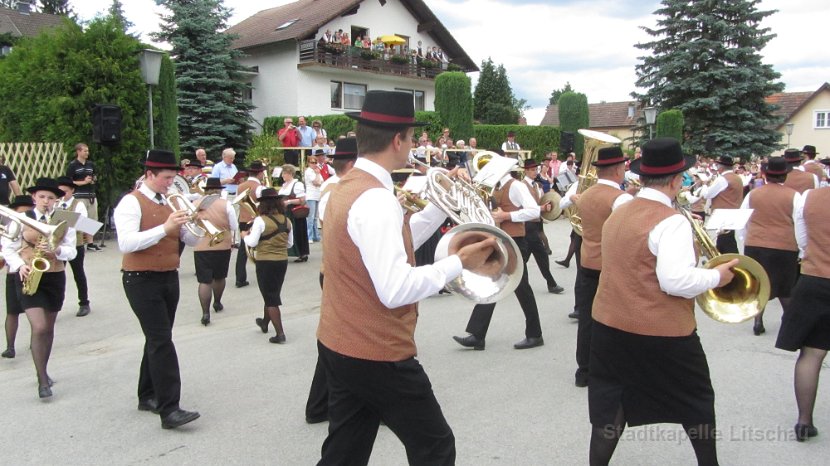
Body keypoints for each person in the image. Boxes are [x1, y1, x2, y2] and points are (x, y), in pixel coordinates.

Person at [316, 90, 495, 464]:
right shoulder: (376, 199)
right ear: (398, 140)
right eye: (412, 138)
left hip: (339, 342)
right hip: (377, 351)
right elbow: (395, 288)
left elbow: (392, 240)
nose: (413, 145)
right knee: (436, 446)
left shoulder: (346, 187)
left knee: (344, 453)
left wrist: (439, 206)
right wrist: (458, 262)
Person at [588, 138, 738, 466]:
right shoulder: (671, 221)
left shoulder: (621, 211)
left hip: (609, 327)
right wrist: (717, 277)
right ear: (675, 181)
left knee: (611, 406)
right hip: (662, 332)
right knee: (696, 401)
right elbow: (676, 281)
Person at [113, 149, 201, 429]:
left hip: (168, 276)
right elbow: (126, 244)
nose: (170, 184)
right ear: (149, 175)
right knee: (162, 341)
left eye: (173, 179)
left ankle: (147, 394)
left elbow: (192, 241)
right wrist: (165, 227)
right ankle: (170, 409)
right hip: (140, 278)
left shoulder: (171, 201)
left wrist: (191, 224)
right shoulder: (131, 203)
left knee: (157, 338)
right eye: (165, 178)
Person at [453, 152, 546, 351]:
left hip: (515, 241)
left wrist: (507, 215)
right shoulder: (495, 187)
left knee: (522, 288)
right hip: (499, 240)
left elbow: (534, 211)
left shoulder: (517, 185)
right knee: (493, 284)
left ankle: (535, 334)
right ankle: (477, 335)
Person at [1, 178, 77, 398]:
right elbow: (8, 249)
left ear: (56, 200)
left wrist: (58, 252)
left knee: (49, 328)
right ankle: (42, 381)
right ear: (34, 197)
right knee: (40, 326)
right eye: (42, 197)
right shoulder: (21, 218)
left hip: (54, 276)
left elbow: (72, 251)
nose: (46, 201)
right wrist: (19, 266)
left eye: (51, 198)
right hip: (28, 275)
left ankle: (42, 369)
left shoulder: (65, 219)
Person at [569, 147, 633, 388]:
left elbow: (573, 206)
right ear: (618, 170)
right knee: (616, 318)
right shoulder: (621, 198)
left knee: (588, 318)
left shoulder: (586, 194)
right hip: (611, 266)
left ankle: (583, 370)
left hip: (587, 262)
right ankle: (613, 368)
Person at [305, 137, 357, 424]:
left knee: (335, 340)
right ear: (351, 165)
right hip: (339, 274)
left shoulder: (334, 191)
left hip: (335, 272)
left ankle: (318, 405)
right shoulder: (335, 194)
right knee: (341, 341)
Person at [775, 182, 830, 442]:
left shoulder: (809, 197)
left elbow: (802, 240)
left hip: (815, 278)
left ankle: (804, 421)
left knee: (811, 354)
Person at [736, 157, 800, 336]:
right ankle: (790, 322)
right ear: (784, 176)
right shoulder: (794, 195)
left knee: (759, 284)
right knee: (785, 287)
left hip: (756, 244)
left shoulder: (753, 194)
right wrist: (801, 247)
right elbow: (799, 223)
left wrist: (746, 239)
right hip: (784, 246)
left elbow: (743, 220)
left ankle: (758, 321)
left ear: (765, 175)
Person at [244, 188, 292, 343]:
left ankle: (280, 334)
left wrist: (244, 236)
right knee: (272, 293)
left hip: (265, 261)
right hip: (282, 261)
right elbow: (290, 244)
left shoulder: (260, 220)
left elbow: (252, 242)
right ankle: (265, 323)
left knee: (271, 297)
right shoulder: (287, 220)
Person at [193, 178, 238, 326]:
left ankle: (205, 312)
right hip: (222, 244)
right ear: (219, 190)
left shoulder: (195, 204)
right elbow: (233, 225)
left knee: (204, 280)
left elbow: (190, 224)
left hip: (201, 245)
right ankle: (217, 302)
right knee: (219, 277)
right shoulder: (226, 204)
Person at [521, 159, 564, 294]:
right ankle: (551, 283)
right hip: (527, 224)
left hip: (536, 222)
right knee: (540, 254)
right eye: (532, 170)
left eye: (536, 170)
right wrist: (541, 208)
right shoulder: (521, 186)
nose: (535, 172)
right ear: (526, 171)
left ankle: (513, 279)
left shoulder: (537, 185)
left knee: (525, 257)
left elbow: (543, 200)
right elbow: (526, 206)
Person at [1, 194, 34, 359]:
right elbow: (6, 249)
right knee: (12, 310)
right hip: (14, 270)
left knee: (34, 310)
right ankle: (10, 347)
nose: (25, 214)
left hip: (32, 268)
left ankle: (35, 342)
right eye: (22, 211)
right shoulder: (10, 224)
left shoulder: (38, 220)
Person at [55, 176, 92, 317]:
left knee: (79, 274)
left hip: (75, 244)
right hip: (58, 244)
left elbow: (85, 224)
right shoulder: (55, 204)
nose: (62, 195)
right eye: (59, 192)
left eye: (65, 192)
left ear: (72, 191)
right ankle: (55, 306)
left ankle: (84, 303)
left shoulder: (79, 204)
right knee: (57, 275)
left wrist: (61, 217)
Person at [697, 154, 744, 254]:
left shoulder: (723, 179)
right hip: (734, 212)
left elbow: (707, 194)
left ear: (721, 167)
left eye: (718, 166)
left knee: (725, 242)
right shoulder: (737, 178)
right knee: (725, 240)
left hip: (723, 214)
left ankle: (731, 263)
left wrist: (704, 185)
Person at [234, 161, 267, 288]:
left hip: (242, 219)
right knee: (260, 247)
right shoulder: (259, 187)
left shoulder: (241, 186)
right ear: (259, 173)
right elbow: (262, 204)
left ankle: (240, 278)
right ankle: (263, 275)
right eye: (262, 172)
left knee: (243, 250)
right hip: (255, 220)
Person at [66, 143, 100, 251]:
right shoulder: (72, 165)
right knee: (81, 219)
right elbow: (69, 182)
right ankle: (79, 242)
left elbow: (95, 175)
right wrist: (83, 182)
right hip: (79, 195)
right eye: (85, 151)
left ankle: (90, 243)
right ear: (78, 151)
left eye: (88, 151)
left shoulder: (91, 164)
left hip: (91, 195)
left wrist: (93, 180)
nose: (87, 153)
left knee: (91, 219)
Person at [277, 164, 309, 263]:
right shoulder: (284, 185)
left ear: (290, 173)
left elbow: (302, 200)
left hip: (294, 212)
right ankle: (287, 252)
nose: (282, 175)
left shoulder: (297, 184)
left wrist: (289, 202)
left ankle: (301, 253)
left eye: (284, 173)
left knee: (297, 232)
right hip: (285, 212)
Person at [304, 156, 323, 243]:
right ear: (308, 163)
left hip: (317, 195)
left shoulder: (316, 171)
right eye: (312, 162)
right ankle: (309, 236)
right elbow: (316, 182)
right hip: (311, 195)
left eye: (315, 162)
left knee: (315, 217)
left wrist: (318, 175)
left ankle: (316, 236)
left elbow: (321, 182)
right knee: (310, 218)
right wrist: (318, 175)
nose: (314, 164)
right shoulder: (308, 171)